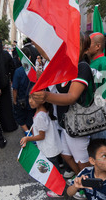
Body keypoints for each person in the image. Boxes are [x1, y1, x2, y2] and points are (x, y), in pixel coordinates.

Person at [32, 32, 95, 183]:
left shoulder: (82, 67)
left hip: (78, 126)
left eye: (74, 44)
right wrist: (34, 36)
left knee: (83, 163)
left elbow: (71, 97)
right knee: (66, 155)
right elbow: (47, 55)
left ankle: (91, 188)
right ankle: (82, 181)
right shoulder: (65, 67)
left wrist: (46, 96)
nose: (69, 47)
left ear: (82, 48)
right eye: (67, 44)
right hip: (66, 125)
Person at [20, 94, 62, 197]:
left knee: (53, 171)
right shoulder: (44, 111)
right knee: (55, 169)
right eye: (29, 97)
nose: (30, 101)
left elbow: (41, 136)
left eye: (34, 98)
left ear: (42, 100)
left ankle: (58, 191)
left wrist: (27, 138)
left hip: (49, 149)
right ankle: (60, 185)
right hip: (52, 146)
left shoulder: (40, 116)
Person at [87, 32, 106, 143]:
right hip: (91, 113)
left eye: (89, 44)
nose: (86, 47)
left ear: (98, 46)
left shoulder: (104, 63)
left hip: (99, 115)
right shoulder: (91, 62)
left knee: (102, 145)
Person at [0, 37, 18, 133]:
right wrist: (11, 78)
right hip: (5, 84)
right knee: (6, 106)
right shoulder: (5, 54)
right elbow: (12, 67)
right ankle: (9, 125)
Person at [12, 46, 36, 135]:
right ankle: (33, 136)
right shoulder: (34, 70)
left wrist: (14, 101)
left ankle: (27, 133)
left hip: (21, 100)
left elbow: (15, 89)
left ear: (19, 58)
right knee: (31, 118)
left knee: (20, 117)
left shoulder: (18, 71)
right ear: (29, 58)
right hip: (33, 100)